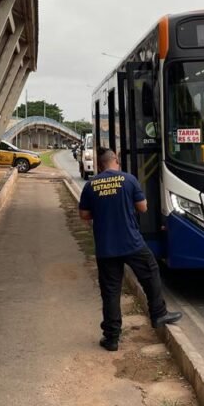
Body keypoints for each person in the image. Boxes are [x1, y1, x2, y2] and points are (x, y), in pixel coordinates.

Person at [78, 148, 182, 351]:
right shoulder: (129, 180)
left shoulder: (91, 185)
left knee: (110, 292)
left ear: (99, 165)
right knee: (150, 273)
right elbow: (142, 207)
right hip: (132, 242)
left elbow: (84, 214)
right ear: (116, 160)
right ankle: (158, 313)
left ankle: (112, 338)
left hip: (106, 246)